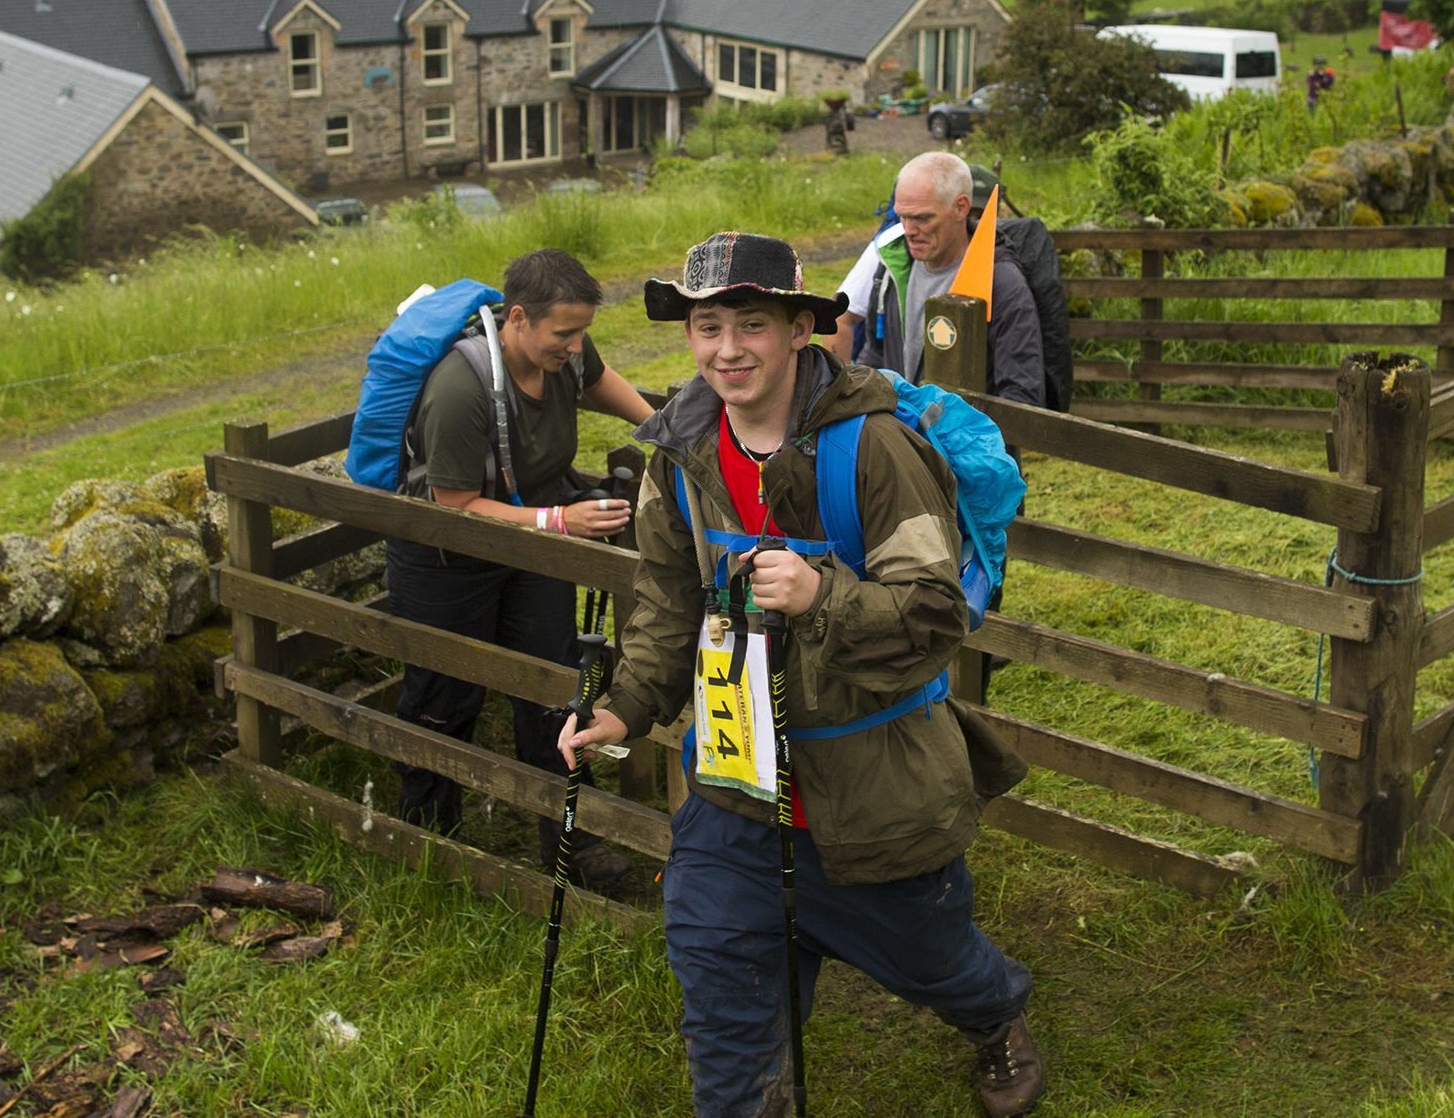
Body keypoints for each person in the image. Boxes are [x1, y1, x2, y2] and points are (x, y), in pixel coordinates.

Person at [561, 232, 1042, 1118]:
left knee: (934, 956)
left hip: (872, 780)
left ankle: (996, 1013)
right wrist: (624, 708)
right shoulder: (680, 457)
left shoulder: (875, 451)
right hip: (735, 776)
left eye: (752, 323)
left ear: (797, 331)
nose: (728, 349)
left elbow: (934, 615)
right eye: (708, 326)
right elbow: (666, 603)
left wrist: (823, 595)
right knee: (718, 970)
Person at [390, 248, 653, 882]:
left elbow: (599, 379)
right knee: (444, 693)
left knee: (554, 688)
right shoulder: (461, 388)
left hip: (530, 548)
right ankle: (432, 843)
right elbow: (453, 505)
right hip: (446, 558)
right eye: (564, 332)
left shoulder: (563, 355)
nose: (576, 344)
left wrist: (664, 426)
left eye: (583, 329)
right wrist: (560, 522)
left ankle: (572, 842)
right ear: (518, 318)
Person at [831, 151, 1044, 407]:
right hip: (896, 442)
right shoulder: (892, 267)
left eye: (922, 218)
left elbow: (1021, 396)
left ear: (961, 207)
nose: (909, 230)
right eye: (902, 216)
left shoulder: (1000, 283)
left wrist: (959, 439)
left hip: (966, 446)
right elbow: (877, 355)